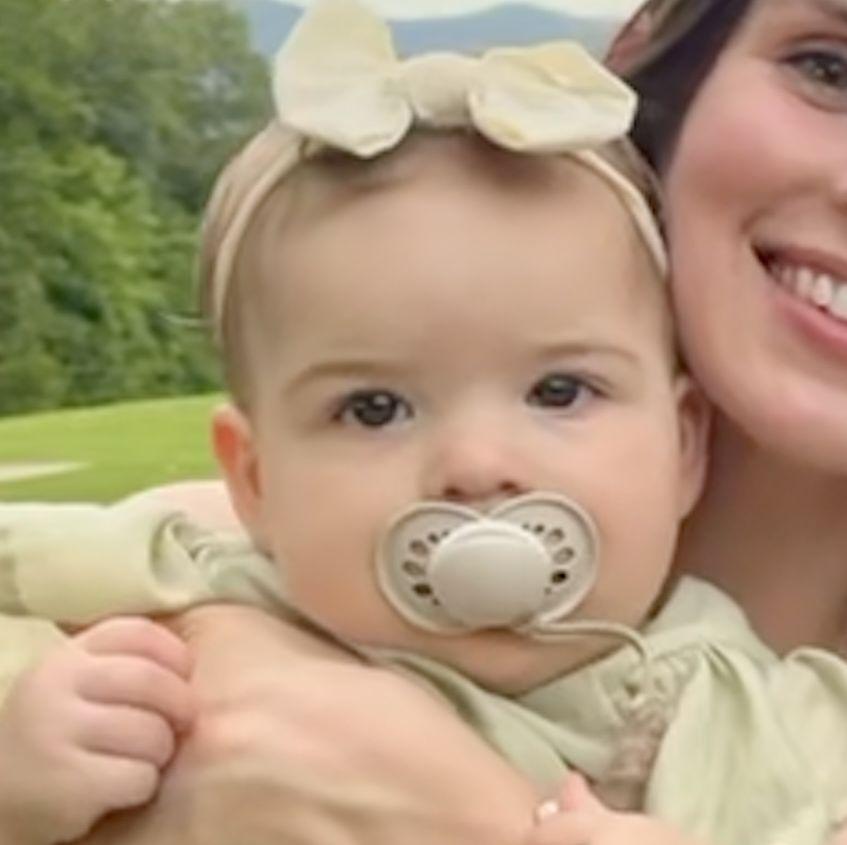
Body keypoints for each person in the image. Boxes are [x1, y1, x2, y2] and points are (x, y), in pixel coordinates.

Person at [4, 2, 847, 845]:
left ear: (680, 441)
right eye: (374, 408)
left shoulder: (771, 727)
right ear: (255, 479)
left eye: (558, 391)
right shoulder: (182, 583)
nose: (475, 464)